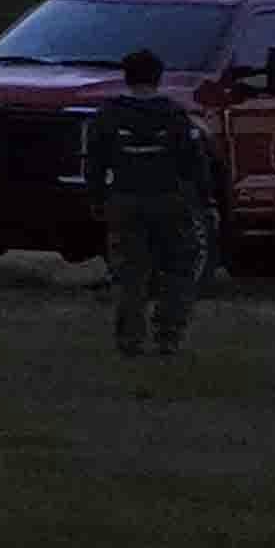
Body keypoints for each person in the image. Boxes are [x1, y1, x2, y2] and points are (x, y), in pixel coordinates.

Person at [91, 47, 216, 360]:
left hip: (124, 199)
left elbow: (94, 161)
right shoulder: (174, 115)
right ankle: (168, 337)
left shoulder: (109, 114)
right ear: (158, 79)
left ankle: (130, 340)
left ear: (127, 76)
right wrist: (206, 200)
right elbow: (194, 163)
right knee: (178, 269)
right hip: (169, 200)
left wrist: (96, 198)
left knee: (130, 273)